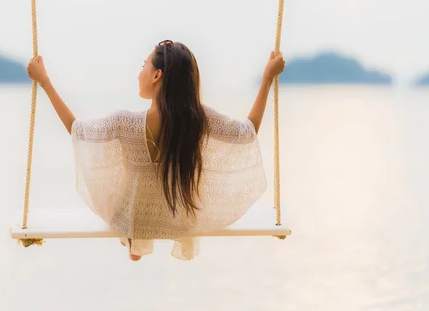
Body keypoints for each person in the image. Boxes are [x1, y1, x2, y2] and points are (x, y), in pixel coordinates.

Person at [27, 40, 286, 261]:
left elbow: (76, 129)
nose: (139, 73)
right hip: (179, 216)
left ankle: (135, 244)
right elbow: (247, 131)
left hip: (132, 218)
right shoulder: (198, 119)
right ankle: (138, 241)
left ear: (156, 75)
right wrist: (267, 78)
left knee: (126, 193)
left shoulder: (123, 123)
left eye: (144, 66)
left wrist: (45, 81)